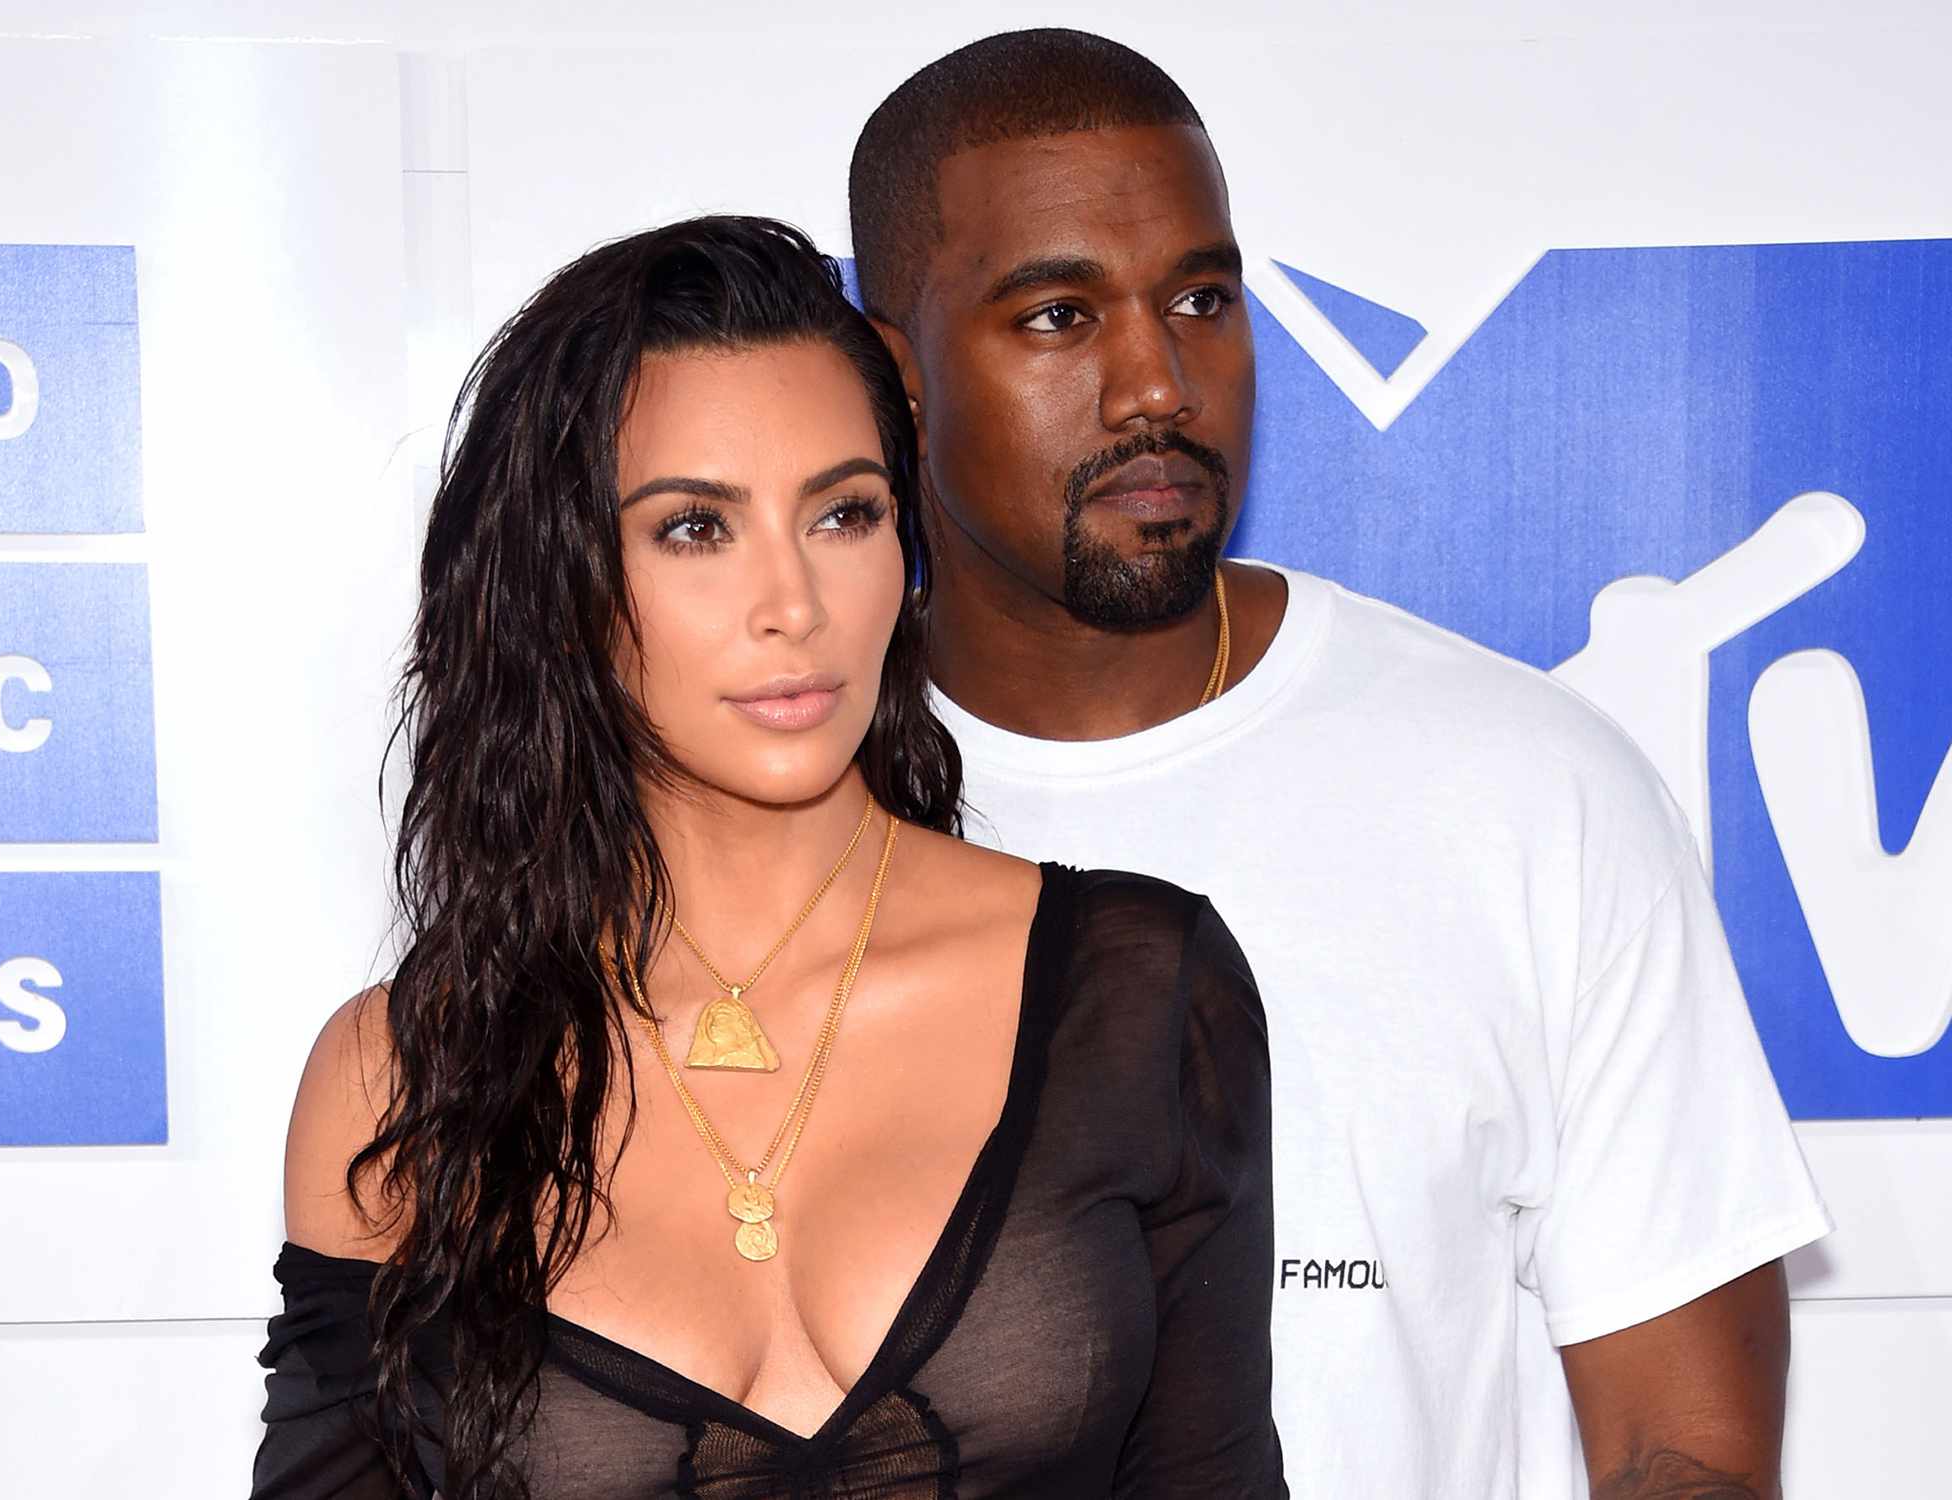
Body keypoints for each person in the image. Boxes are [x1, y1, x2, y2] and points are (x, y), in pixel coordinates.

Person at [847, 29, 1832, 1500]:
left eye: (1202, 299)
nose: (1157, 385)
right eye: (1057, 315)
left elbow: (1683, 1444)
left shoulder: (1529, 788)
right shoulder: (769, 817)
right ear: (895, 375)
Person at [251, 217, 1286, 1499]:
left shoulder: (1132, 991)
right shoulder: (399, 1075)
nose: (792, 604)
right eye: (695, 528)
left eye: (843, 513)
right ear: (558, 582)